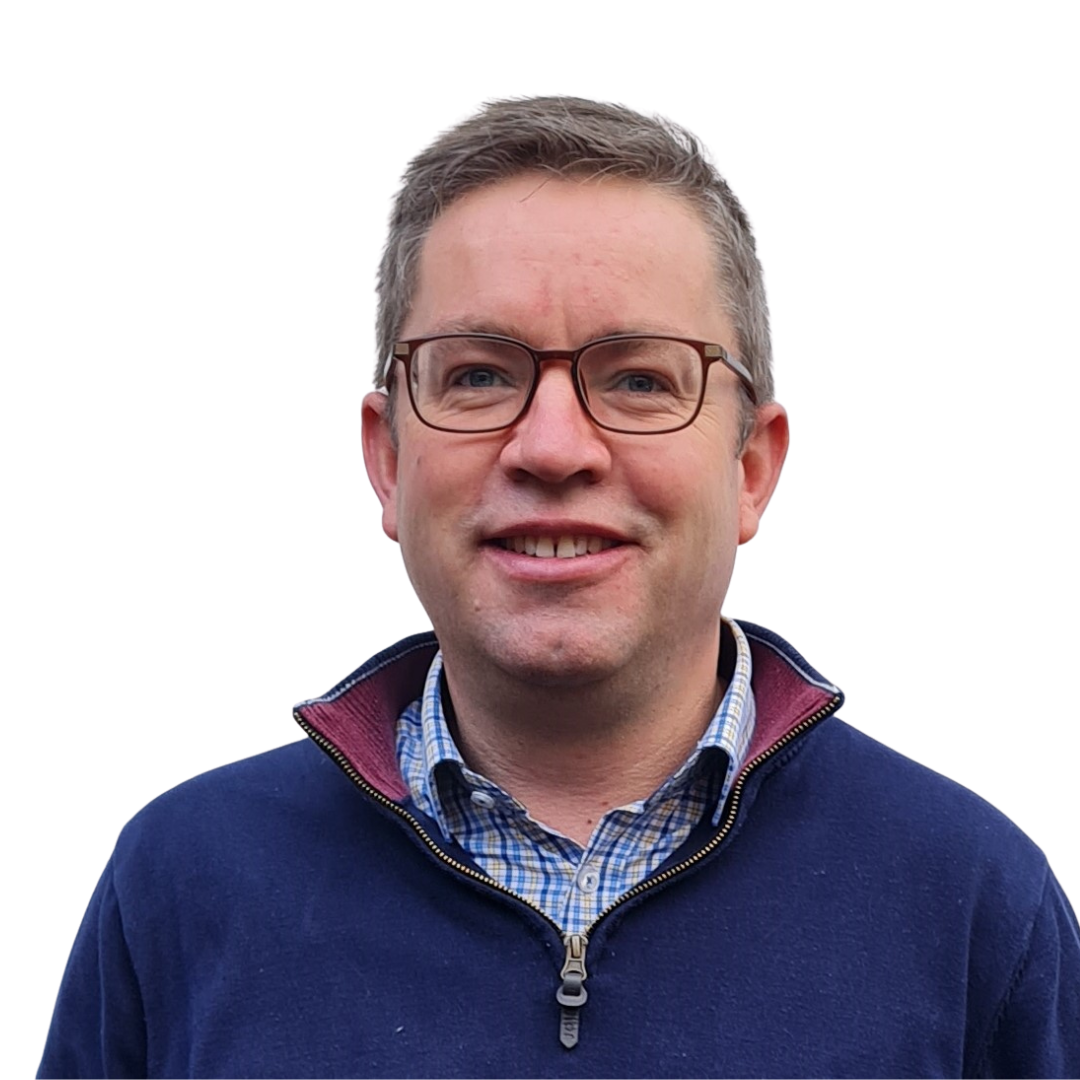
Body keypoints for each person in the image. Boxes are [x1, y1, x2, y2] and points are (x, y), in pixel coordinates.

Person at [39, 96, 1079, 1079]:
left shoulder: (974, 907)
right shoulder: (181, 887)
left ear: (752, 467)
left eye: (637, 378)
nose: (551, 447)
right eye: (479, 374)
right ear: (388, 460)